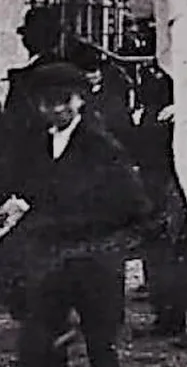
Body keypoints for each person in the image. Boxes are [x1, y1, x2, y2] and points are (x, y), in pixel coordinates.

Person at [0, 62, 150, 367]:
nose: (55, 109)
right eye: (46, 102)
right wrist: (18, 203)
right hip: (48, 258)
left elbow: (133, 205)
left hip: (94, 258)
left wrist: (75, 220)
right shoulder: (36, 143)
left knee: (99, 344)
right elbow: (26, 186)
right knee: (39, 343)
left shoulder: (101, 146)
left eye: (63, 100)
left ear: (80, 99)